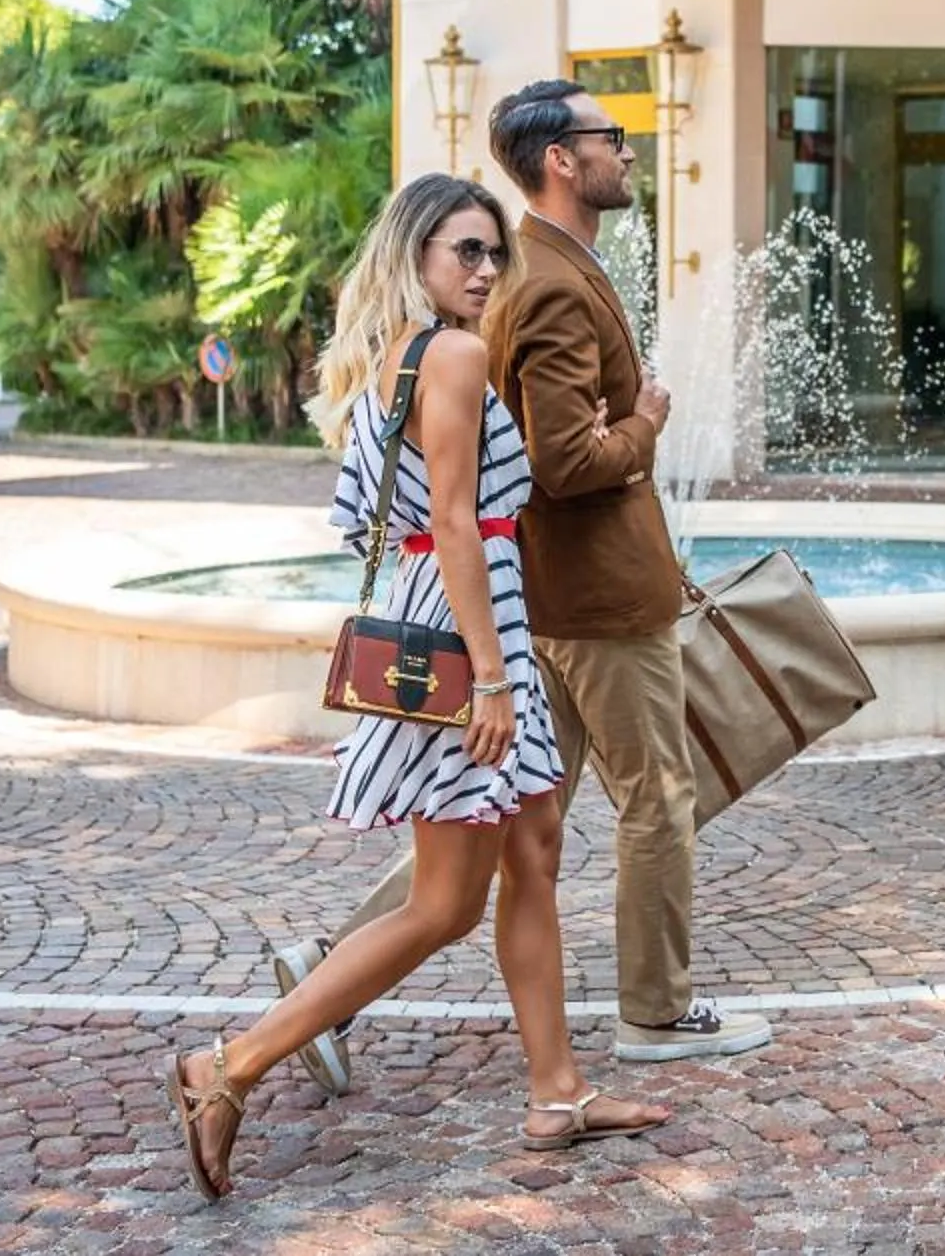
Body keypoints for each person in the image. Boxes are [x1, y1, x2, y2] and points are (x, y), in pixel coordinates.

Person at [162, 174, 667, 1202]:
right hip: (467, 623)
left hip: (455, 609)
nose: (486, 271)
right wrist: (489, 676)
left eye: (493, 253)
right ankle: (228, 1067)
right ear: (416, 258)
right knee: (443, 903)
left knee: (533, 848)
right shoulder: (453, 351)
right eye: (464, 253)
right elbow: (450, 519)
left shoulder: (395, 353)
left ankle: (557, 1091)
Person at [268, 85, 770, 1092]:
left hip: (527, 598)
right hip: (582, 600)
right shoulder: (532, 290)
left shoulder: (515, 282)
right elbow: (556, 463)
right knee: (650, 799)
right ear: (559, 158)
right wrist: (649, 425)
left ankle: (358, 1004)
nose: (628, 151)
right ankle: (656, 1013)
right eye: (611, 138)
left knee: (508, 828)